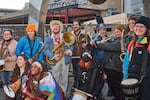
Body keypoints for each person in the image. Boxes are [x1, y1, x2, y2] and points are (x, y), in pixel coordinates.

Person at [123, 15, 150, 100]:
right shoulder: (132, 43)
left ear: (147, 29)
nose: (138, 28)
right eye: (137, 26)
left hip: (146, 81)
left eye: (141, 26)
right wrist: (125, 78)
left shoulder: (148, 43)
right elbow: (127, 62)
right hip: (132, 79)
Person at [43, 20, 73, 95]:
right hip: (55, 60)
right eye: (54, 26)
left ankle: (63, 95)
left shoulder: (64, 36)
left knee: (64, 78)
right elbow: (45, 49)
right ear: (51, 28)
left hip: (64, 59)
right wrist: (52, 56)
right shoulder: (48, 39)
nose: (55, 28)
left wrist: (69, 51)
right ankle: (56, 95)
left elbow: (71, 45)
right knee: (55, 78)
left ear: (60, 28)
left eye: (57, 26)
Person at [97, 24, 126, 100]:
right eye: (116, 32)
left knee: (117, 87)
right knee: (112, 86)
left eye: (118, 32)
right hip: (109, 66)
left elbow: (110, 46)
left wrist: (100, 44)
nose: (116, 33)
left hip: (115, 67)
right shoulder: (114, 39)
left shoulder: (121, 40)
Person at [72, 35, 104, 100]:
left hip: (92, 93)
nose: (85, 63)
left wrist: (94, 94)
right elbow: (78, 81)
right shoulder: (80, 66)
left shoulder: (96, 68)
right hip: (82, 92)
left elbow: (100, 84)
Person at [71, 20, 90, 88]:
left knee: (81, 73)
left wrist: (85, 47)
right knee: (75, 73)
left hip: (81, 57)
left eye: (76, 24)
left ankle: (81, 87)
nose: (75, 26)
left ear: (79, 26)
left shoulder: (85, 35)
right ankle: (76, 87)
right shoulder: (70, 35)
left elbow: (88, 46)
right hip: (73, 57)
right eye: (74, 25)